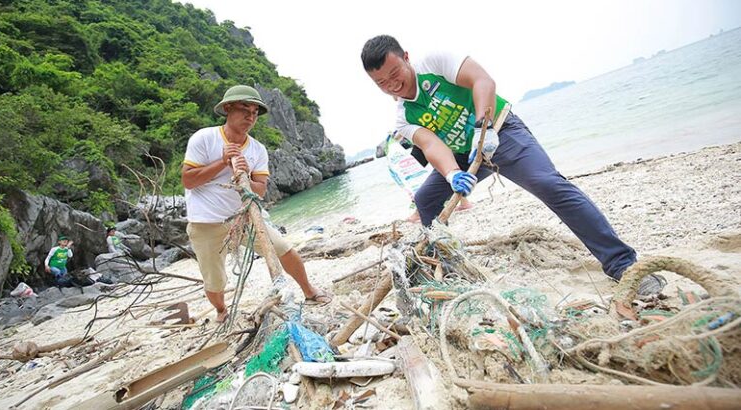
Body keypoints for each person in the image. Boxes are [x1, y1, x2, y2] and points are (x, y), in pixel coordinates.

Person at [361, 35, 643, 285]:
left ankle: (621, 263)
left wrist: (482, 128)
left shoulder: (434, 63)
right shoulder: (403, 118)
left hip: (500, 132)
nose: (392, 84)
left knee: (548, 184)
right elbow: (432, 145)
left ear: (406, 58)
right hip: (464, 154)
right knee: (426, 200)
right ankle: (448, 270)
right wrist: (451, 175)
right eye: (381, 83)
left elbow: (482, 81)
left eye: (395, 72)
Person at [181, 84, 331, 323]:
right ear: (228, 109)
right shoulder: (204, 138)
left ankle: (309, 291)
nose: (250, 117)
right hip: (206, 223)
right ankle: (221, 310)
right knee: (214, 280)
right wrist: (222, 162)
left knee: (283, 248)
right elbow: (188, 180)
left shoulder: (257, 150)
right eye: (244, 110)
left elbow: (259, 190)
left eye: (254, 113)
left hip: (245, 217)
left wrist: (247, 175)